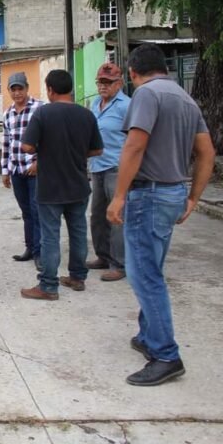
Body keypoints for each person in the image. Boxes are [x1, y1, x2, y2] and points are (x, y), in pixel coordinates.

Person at [107, 44, 214, 387]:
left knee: (144, 276)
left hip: (148, 194)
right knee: (152, 267)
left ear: (134, 73)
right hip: (172, 191)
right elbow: (206, 152)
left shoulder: (147, 94)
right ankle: (148, 335)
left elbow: (135, 145)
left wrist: (119, 195)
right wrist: (193, 197)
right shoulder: (185, 98)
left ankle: (166, 354)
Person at [20, 70, 103, 300]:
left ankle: (48, 285)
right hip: (78, 185)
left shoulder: (43, 114)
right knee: (78, 232)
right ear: (70, 89)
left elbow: (27, 146)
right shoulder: (86, 115)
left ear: (50, 90)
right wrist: (75, 152)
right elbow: (97, 149)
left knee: (50, 236)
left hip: (50, 186)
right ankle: (77, 277)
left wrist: (46, 150)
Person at [87, 63, 131, 281]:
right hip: (97, 166)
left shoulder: (126, 106)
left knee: (116, 217)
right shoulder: (95, 104)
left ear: (119, 83)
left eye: (108, 82)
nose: (103, 86)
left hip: (117, 168)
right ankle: (103, 256)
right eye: (100, 82)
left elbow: (135, 140)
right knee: (97, 216)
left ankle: (119, 264)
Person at [1, 72, 44, 271]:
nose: (17, 93)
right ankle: (30, 247)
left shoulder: (39, 108)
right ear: (9, 91)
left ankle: (40, 252)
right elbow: (7, 143)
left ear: (27, 88)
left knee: (37, 210)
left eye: (20, 88)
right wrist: (5, 170)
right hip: (17, 169)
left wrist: (39, 162)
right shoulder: (8, 113)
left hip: (33, 169)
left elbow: (48, 139)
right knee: (26, 211)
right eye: (13, 89)